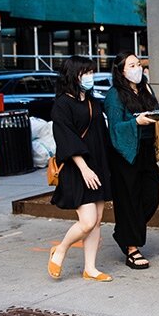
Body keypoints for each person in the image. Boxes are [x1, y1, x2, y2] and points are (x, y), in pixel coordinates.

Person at [104, 52, 159, 270]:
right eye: (132, 65)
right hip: (125, 153)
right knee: (128, 201)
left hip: (146, 151)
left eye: (139, 64)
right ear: (121, 70)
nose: (138, 68)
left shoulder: (146, 89)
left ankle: (125, 232)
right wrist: (136, 121)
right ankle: (132, 248)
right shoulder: (114, 95)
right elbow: (115, 129)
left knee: (150, 197)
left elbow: (155, 113)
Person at [48, 55, 114, 282]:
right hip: (78, 169)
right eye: (85, 73)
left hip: (98, 166)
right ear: (72, 75)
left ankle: (90, 268)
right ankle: (61, 249)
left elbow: (101, 134)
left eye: (91, 72)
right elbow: (66, 138)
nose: (90, 77)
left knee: (96, 222)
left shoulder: (92, 101)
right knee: (87, 221)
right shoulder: (62, 104)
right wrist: (84, 168)